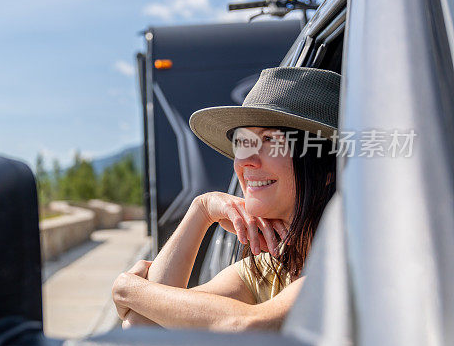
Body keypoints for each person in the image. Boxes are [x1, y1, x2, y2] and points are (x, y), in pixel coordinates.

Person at [112, 66, 340, 331]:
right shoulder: (268, 268)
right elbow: (146, 324)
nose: (246, 161)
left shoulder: (348, 257)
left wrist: (127, 289)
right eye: (243, 142)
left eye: (269, 140)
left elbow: (246, 324)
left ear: (326, 168)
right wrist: (202, 209)